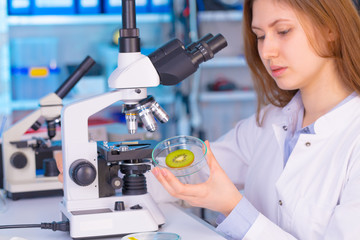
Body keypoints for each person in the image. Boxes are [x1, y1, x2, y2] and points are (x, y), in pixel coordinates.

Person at [151, 0, 360, 239]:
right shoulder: (270, 120)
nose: (267, 51)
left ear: (330, 29)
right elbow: (195, 172)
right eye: (260, 36)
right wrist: (115, 175)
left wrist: (234, 208)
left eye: (283, 31)